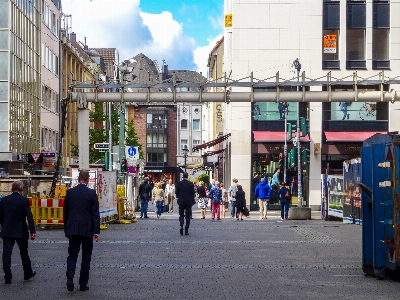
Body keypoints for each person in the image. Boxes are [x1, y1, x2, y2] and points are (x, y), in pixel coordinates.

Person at [63, 169, 100, 292]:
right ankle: (83, 283)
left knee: (72, 254)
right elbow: (95, 214)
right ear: (88, 179)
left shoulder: (70, 193)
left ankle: (70, 271)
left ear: (78, 179)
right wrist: (96, 231)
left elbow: (65, 212)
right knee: (86, 257)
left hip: (72, 228)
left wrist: (66, 227)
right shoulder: (91, 193)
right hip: (87, 229)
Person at [0, 181, 36, 284]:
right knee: (24, 253)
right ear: (22, 189)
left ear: (12, 189)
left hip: (7, 230)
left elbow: (1, 216)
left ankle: (7, 276)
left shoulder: (4, 201)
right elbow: (29, 216)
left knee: (6, 254)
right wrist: (32, 231)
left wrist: (3, 226)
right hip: (21, 230)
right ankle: (27, 273)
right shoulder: (24, 200)